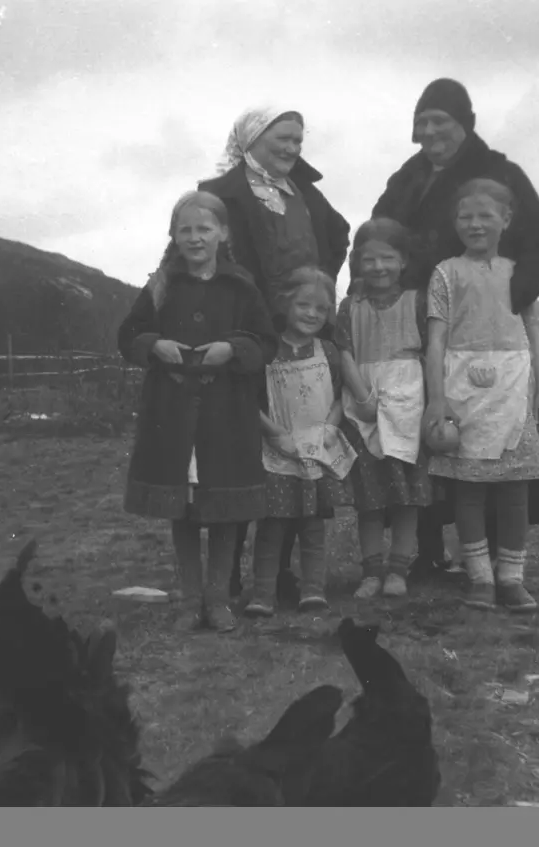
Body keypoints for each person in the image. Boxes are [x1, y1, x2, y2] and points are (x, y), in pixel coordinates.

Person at [371, 77, 539, 582]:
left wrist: (514, 290)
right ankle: (429, 550)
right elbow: (379, 231)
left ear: (466, 125)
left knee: (493, 441)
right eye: (423, 121)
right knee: (431, 432)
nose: (430, 131)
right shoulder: (406, 178)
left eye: (442, 121)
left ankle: (495, 558)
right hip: (418, 317)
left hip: (489, 329)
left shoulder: (499, 172)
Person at [198, 107, 351, 607]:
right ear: (251, 140)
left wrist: (317, 283)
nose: (291, 148)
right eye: (281, 139)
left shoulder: (304, 193)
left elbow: (339, 232)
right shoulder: (222, 193)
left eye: (298, 140)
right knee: (252, 451)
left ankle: (282, 574)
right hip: (246, 330)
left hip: (298, 332)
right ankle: (238, 577)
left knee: (295, 453)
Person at [118, 190, 278, 634]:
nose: (194, 237)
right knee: (184, 510)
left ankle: (219, 599)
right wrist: (155, 345)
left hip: (226, 414)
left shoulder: (241, 286)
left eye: (204, 228)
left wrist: (232, 348)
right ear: (173, 235)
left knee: (225, 507)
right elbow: (128, 335)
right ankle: (190, 601)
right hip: (171, 414)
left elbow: (267, 342)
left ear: (222, 233)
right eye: (185, 229)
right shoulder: (161, 284)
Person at [423, 178, 539, 612]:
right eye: (465, 216)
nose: (475, 224)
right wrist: (437, 399)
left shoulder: (519, 272)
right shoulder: (446, 273)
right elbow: (436, 340)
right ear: (454, 222)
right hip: (462, 387)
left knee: (514, 489)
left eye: (486, 216)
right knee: (468, 490)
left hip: (515, 388)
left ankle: (511, 577)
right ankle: (480, 578)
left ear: (505, 220)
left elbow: (533, 336)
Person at [246, 266, 356, 618]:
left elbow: (341, 396)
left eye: (321, 310)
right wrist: (272, 433)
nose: (311, 314)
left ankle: (313, 590)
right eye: (303, 305)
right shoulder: (266, 350)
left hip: (316, 451)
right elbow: (248, 399)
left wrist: (330, 429)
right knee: (272, 526)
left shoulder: (329, 351)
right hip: (276, 450)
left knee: (312, 526)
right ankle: (262, 594)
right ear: (285, 303)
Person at [336, 218, 435, 600]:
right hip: (365, 405)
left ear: (404, 260)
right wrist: (361, 395)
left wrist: (430, 403)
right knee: (370, 498)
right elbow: (344, 351)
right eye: (370, 260)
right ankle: (371, 572)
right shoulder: (351, 306)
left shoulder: (417, 302)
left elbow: (429, 355)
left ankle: (398, 570)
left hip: (408, 408)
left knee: (407, 497)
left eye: (388, 259)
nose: (379, 268)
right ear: (357, 262)